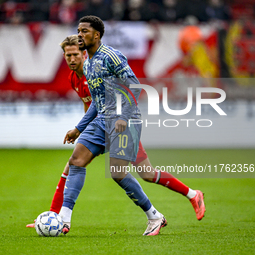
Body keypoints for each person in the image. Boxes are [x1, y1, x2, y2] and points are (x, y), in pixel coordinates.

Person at [27, 32, 206, 228]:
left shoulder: (94, 73)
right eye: (68, 55)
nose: (71, 59)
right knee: (74, 164)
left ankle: (190, 196)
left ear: (84, 54)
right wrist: (85, 130)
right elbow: (91, 107)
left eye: (75, 55)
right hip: (101, 128)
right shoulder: (74, 78)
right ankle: (57, 217)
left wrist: (80, 128)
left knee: (145, 173)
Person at [59, 15, 167, 236]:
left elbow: (135, 87)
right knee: (76, 160)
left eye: (84, 31)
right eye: (78, 30)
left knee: (118, 173)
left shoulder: (111, 56)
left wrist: (123, 116)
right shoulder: (87, 62)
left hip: (126, 120)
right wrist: (78, 128)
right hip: (102, 120)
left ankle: (154, 216)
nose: (80, 34)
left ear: (96, 35)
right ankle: (63, 218)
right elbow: (96, 103)